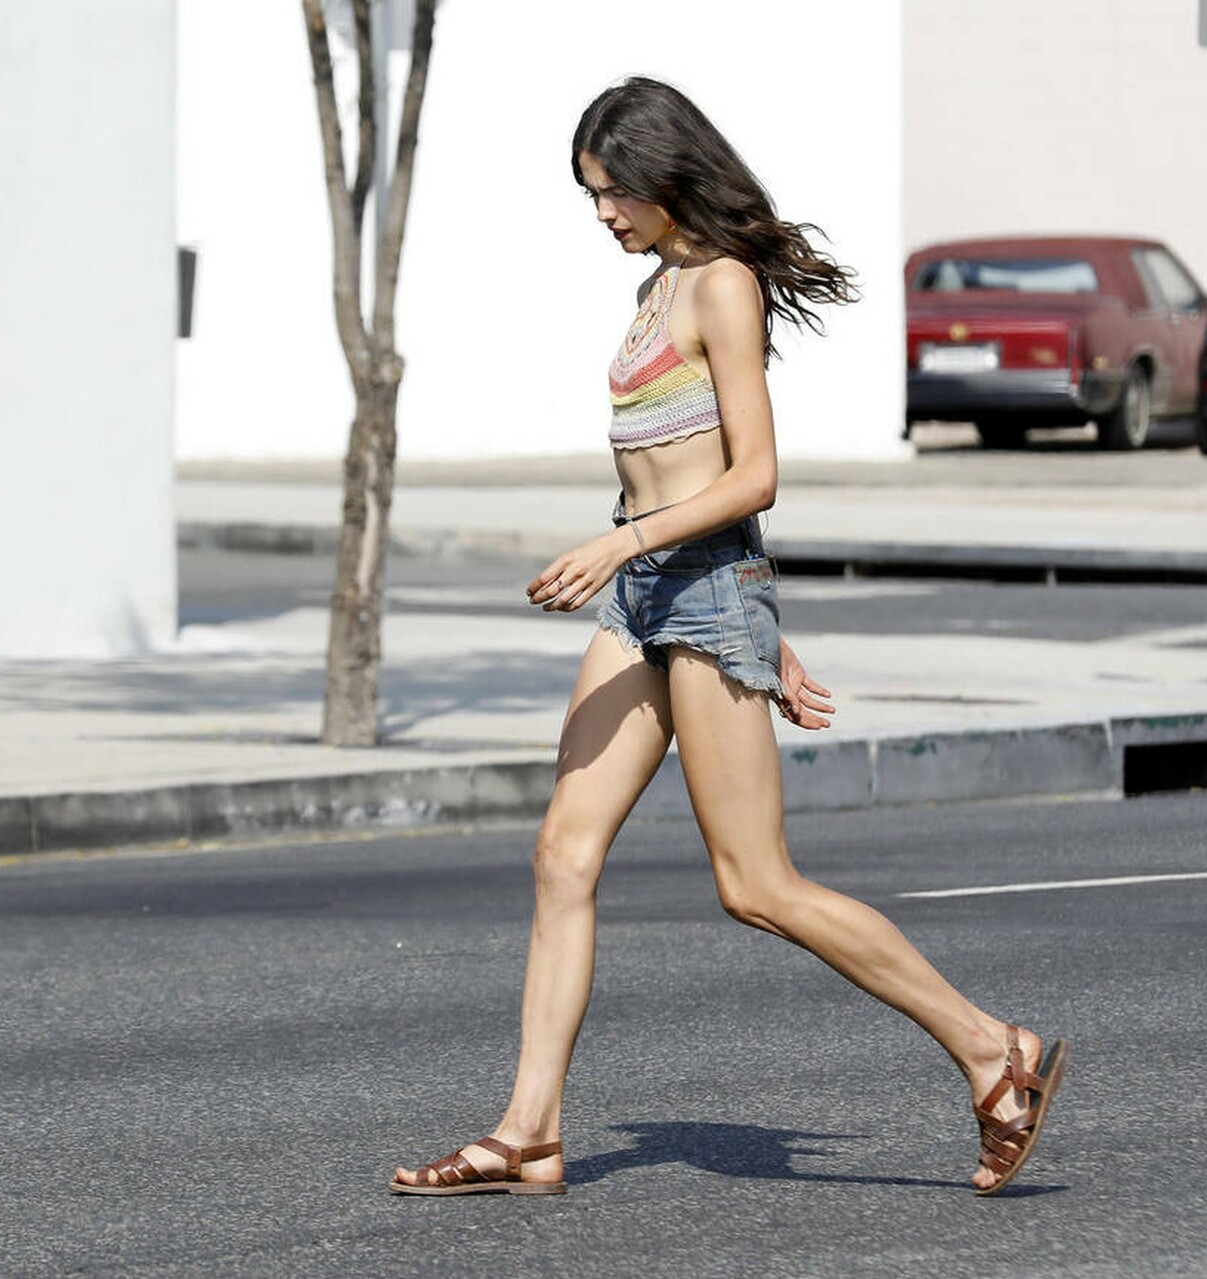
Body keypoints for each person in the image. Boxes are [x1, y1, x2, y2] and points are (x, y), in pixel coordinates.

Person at [388, 77, 1065, 1199]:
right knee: (562, 854)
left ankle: (994, 1048)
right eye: (590, 194)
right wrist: (667, 570)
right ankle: (529, 1133)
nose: (602, 213)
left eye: (612, 191)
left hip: (697, 594)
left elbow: (756, 475)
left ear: (664, 174)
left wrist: (685, 580)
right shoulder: (656, 285)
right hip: (648, 598)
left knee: (755, 884)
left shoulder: (722, 285)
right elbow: (671, 472)